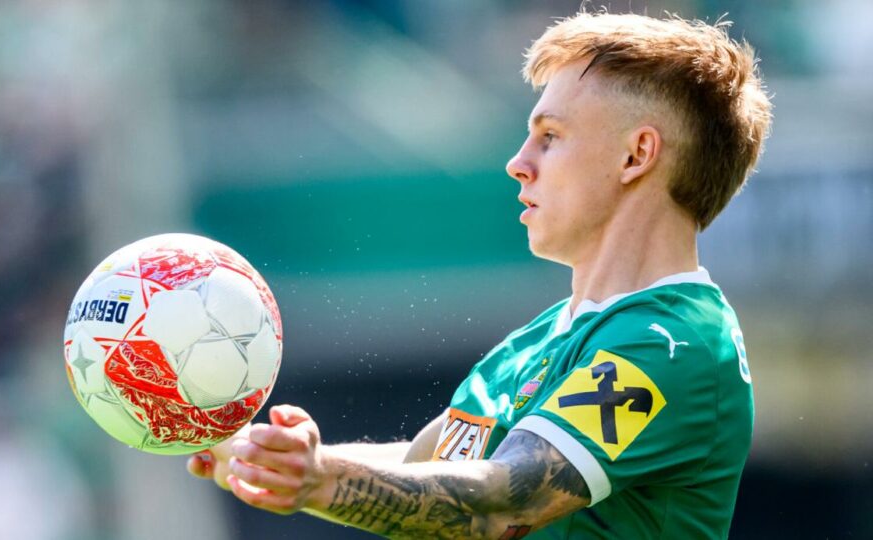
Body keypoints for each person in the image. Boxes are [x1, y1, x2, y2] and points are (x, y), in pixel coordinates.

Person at [187, 11, 771, 539]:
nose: (518, 163)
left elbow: (505, 500)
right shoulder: (547, 336)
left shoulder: (671, 345)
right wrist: (269, 458)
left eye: (550, 136)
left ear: (635, 155)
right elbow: (425, 466)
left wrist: (321, 480)